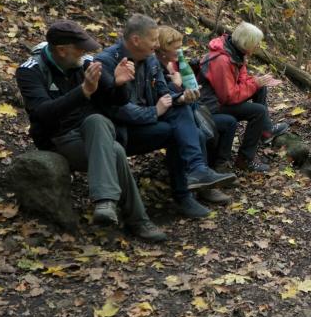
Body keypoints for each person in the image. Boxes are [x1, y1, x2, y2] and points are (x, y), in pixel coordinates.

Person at [15, 20, 166, 242]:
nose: (85, 53)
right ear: (62, 50)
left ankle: (106, 202)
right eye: (80, 48)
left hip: (93, 131)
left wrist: (119, 84)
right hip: (59, 138)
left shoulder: (86, 62)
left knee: (96, 120)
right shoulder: (30, 70)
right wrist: (83, 91)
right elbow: (42, 113)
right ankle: (137, 219)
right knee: (115, 151)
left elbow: (115, 100)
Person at [95, 14, 236, 219]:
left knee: (182, 110)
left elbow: (163, 92)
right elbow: (117, 110)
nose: (156, 44)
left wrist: (181, 97)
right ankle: (183, 196)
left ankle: (197, 170)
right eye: (153, 39)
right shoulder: (106, 62)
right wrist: (155, 112)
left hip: (148, 120)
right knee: (176, 132)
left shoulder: (150, 59)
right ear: (136, 40)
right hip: (121, 130)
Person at [155, 25, 235, 204]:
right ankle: (197, 188)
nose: (180, 51)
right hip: (165, 115)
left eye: (180, 47)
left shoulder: (173, 65)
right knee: (198, 134)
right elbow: (164, 98)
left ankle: (214, 171)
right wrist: (177, 85)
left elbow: (185, 93)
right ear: (162, 49)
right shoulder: (155, 67)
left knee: (228, 123)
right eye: (175, 48)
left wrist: (186, 88)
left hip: (188, 110)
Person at [198, 22, 288, 172]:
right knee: (258, 111)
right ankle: (246, 159)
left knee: (260, 88)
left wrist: (256, 82)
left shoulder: (236, 53)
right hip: (211, 106)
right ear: (246, 43)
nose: (258, 46)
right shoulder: (222, 60)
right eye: (256, 43)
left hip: (221, 100)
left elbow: (242, 79)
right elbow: (228, 96)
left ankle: (266, 131)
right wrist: (254, 83)